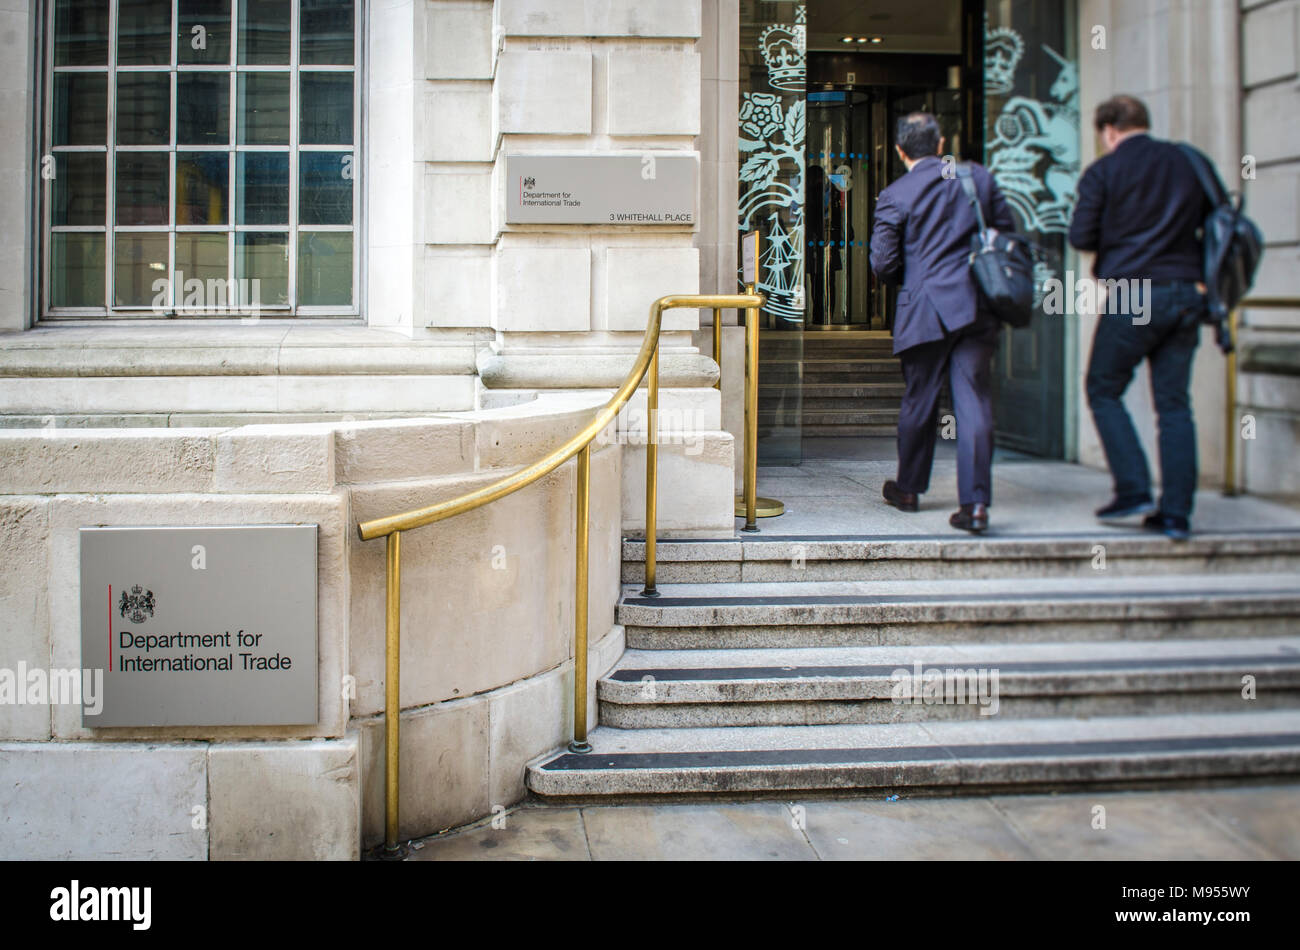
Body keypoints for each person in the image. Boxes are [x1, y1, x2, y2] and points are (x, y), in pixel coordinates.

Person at [1068, 95, 1213, 542]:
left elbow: (1080, 235)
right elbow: (1219, 219)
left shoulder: (1105, 171)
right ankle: (1176, 514)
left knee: (1102, 388)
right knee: (1174, 404)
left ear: (1109, 130)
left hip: (1133, 292)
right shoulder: (1188, 161)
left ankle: (1132, 489)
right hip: (1186, 292)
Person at [870, 112, 1016, 534]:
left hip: (924, 310)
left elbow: (882, 263)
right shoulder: (973, 177)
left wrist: (912, 279)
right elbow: (1006, 232)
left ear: (899, 151)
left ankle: (910, 489)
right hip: (975, 305)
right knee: (973, 400)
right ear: (941, 143)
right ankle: (975, 505)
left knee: (919, 399)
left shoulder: (897, 193)